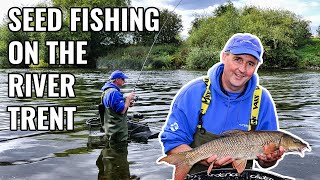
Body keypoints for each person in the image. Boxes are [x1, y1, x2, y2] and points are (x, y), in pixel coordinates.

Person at [159, 33, 285, 174]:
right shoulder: (194, 92)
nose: (242, 69)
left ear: (257, 66)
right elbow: (173, 141)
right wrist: (201, 158)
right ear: (224, 57)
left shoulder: (262, 99)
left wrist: (270, 159)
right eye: (237, 59)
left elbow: (264, 163)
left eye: (250, 63)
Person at [100, 70, 135, 146]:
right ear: (117, 79)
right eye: (123, 79)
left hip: (109, 131)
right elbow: (122, 111)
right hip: (118, 135)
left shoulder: (106, 91)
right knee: (120, 155)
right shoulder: (115, 93)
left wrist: (127, 103)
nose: (124, 81)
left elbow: (114, 107)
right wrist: (128, 99)